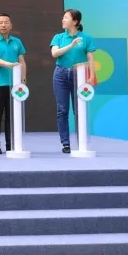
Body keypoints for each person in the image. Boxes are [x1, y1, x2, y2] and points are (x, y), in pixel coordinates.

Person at [50, 8, 96, 154]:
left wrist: (91, 75)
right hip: (61, 74)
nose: (63, 20)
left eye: (66, 18)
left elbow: (90, 59)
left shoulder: (86, 38)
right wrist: (71, 45)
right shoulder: (58, 37)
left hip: (80, 75)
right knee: (62, 110)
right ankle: (65, 143)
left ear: (75, 21)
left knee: (79, 109)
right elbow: (54, 53)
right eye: (63, 17)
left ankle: (81, 142)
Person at [0, 12, 27, 155]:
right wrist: (10, 64)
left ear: (11, 25)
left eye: (6, 22)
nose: (4, 25)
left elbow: (22, 62)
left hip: (15, 85)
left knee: (12, 116)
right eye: (1, 23)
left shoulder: (17, 42)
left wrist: (23, 80)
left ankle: (11, 144)